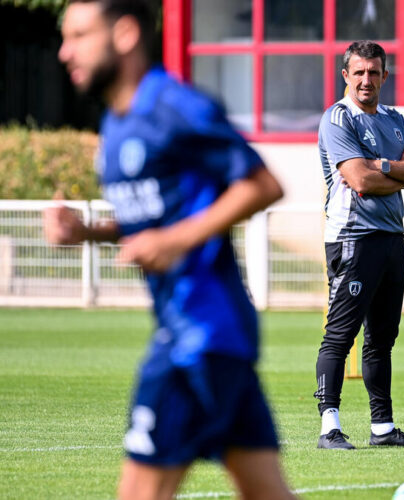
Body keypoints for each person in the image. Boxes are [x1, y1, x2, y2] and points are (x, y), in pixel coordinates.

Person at [45, 1, 297, 498]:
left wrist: (176, 241)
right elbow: (154, 220)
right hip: (212, 337)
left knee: (138, 492)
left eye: (78, 35)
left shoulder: (174, 106)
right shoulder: (116, 128)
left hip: (198, 332)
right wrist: (88, 232)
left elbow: (262, 185)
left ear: (124, 33)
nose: (63, 51)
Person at [314, 40, 404, 450]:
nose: (366, 80)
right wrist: (398, 174)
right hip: (352, 239)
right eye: (358, 72)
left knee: (382, 338)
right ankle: (329, 427)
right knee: (340, 336)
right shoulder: (337, 118)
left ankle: (382, 427)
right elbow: (359, 180)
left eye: (374, 72)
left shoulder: (395, 119)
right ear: (345, 76)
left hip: (390, 239)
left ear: (385, 75)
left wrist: (382, 166)